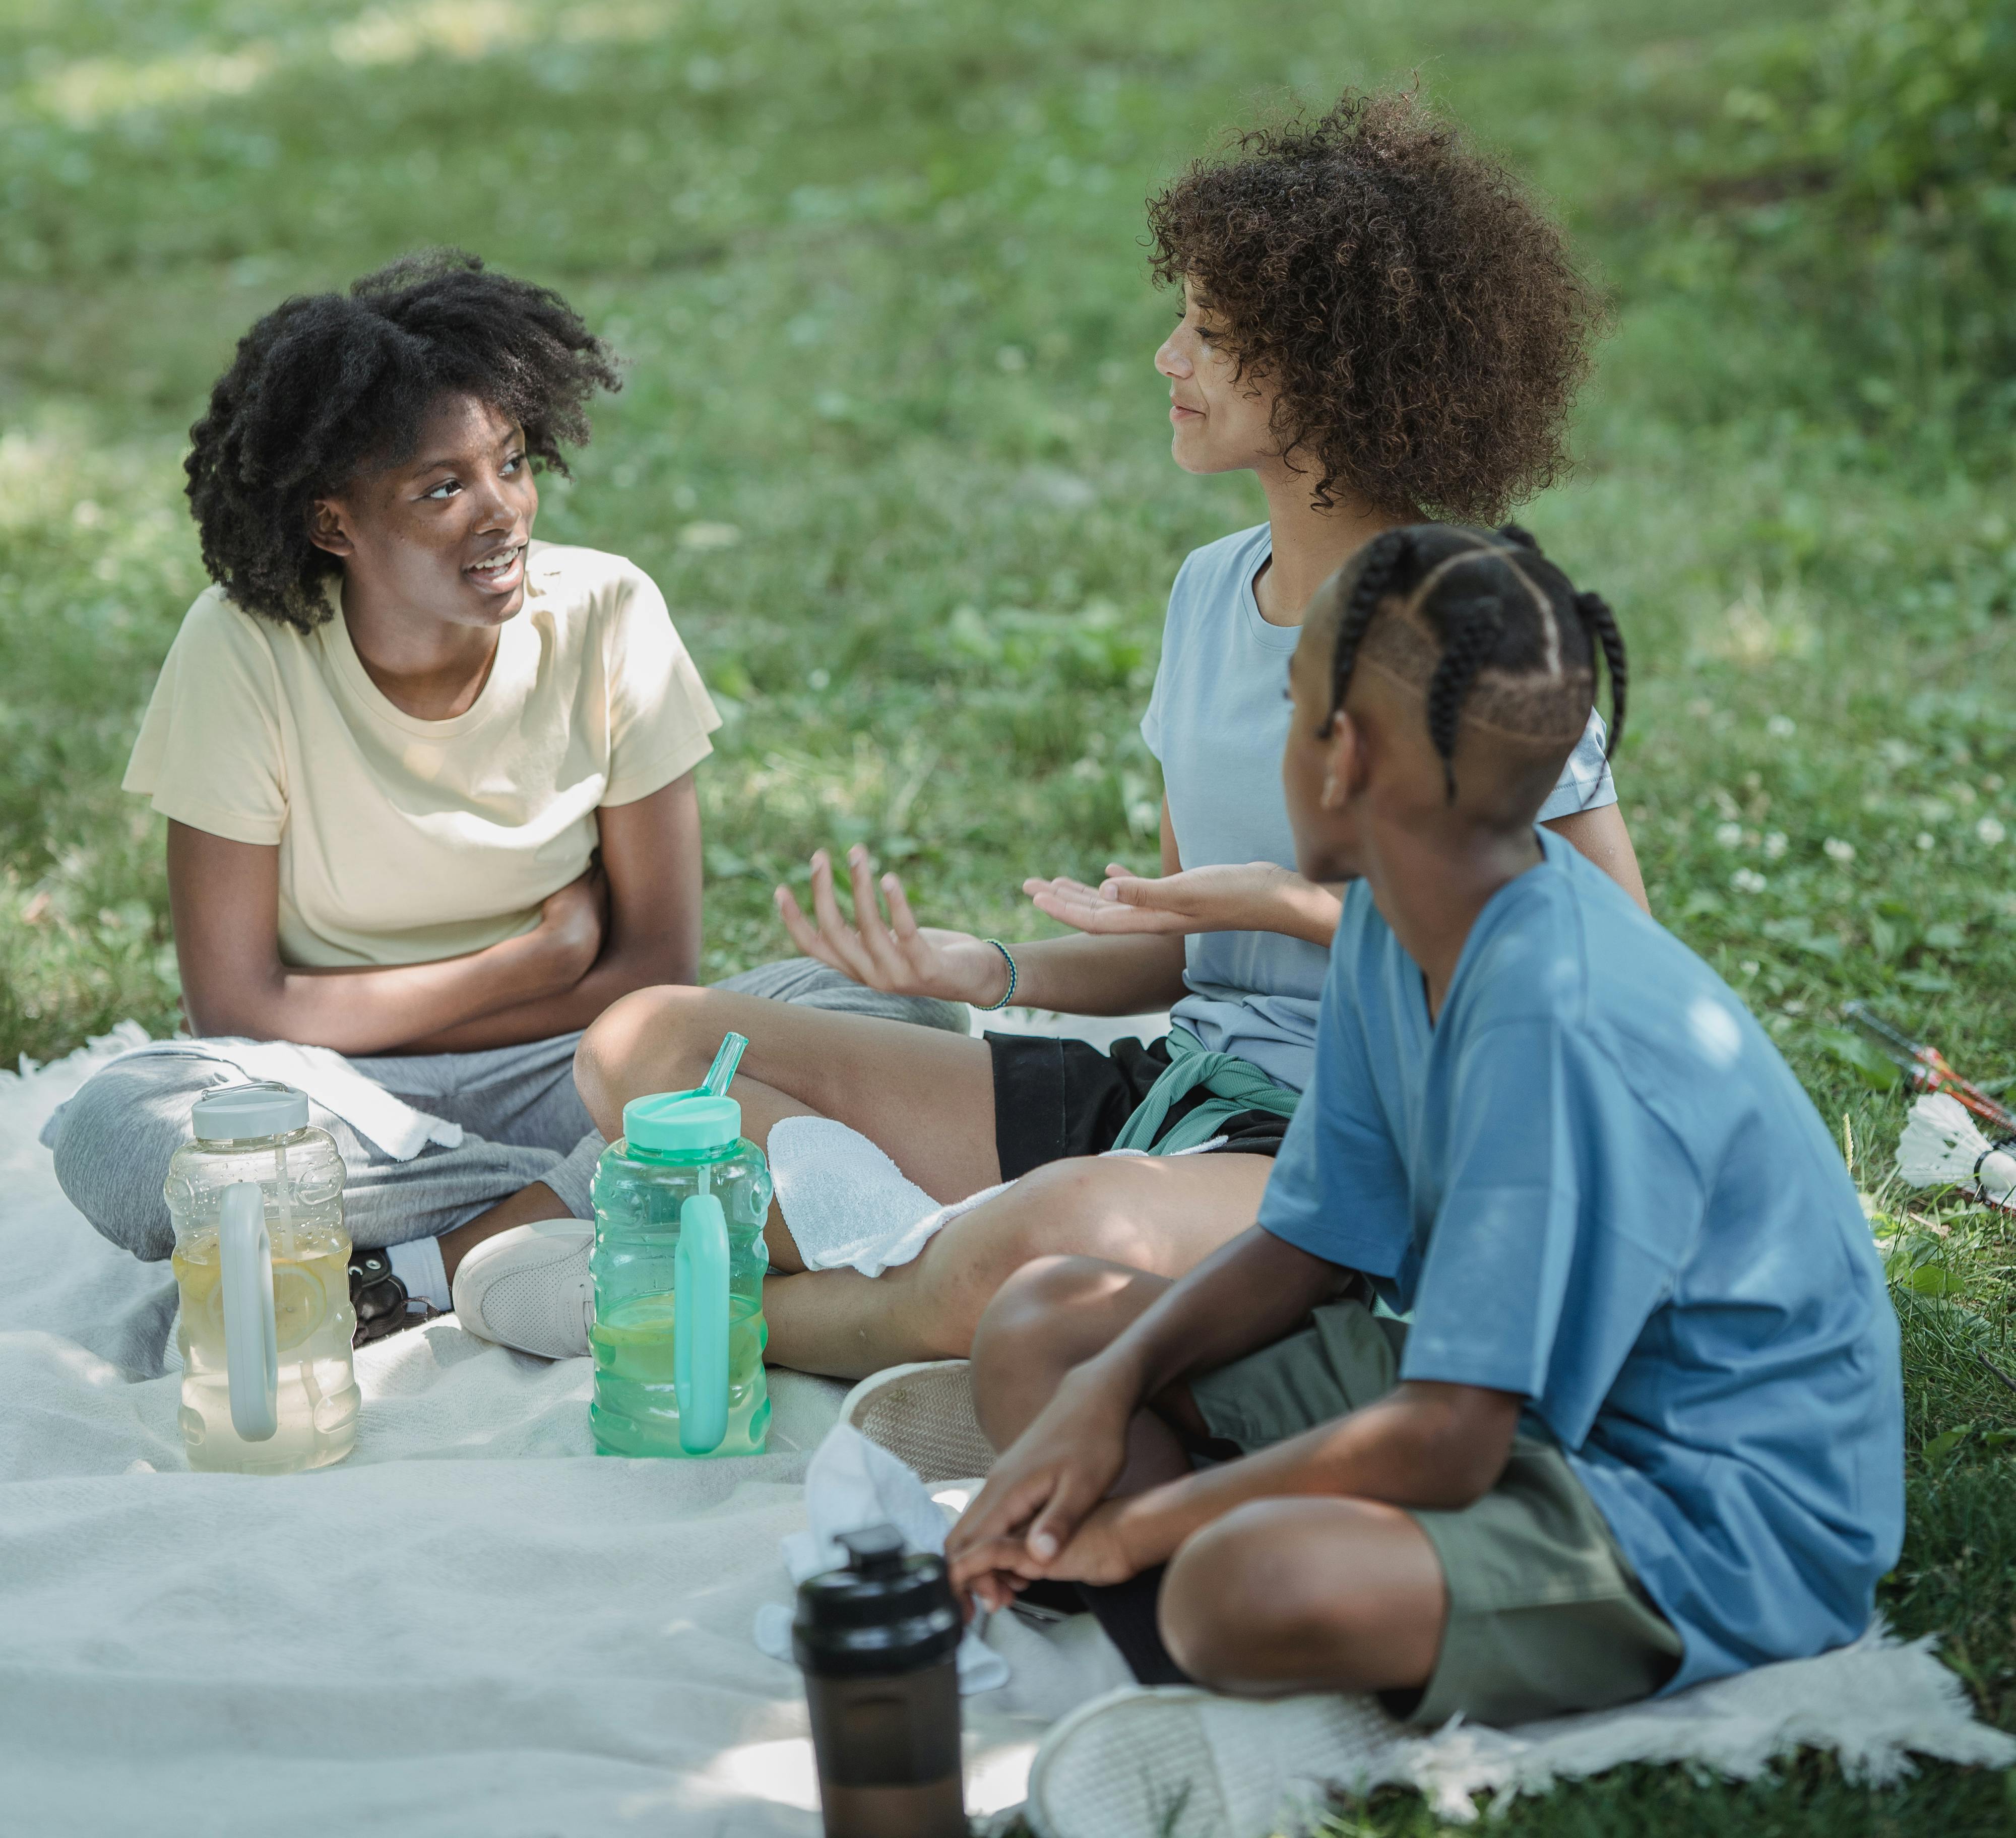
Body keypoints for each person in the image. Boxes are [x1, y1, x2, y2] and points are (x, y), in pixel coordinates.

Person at [503, 95, 1648, 1377]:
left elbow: (1608, 970)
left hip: (1371, 1138)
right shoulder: (1212, 588)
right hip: (1177, 1096)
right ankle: (924, 1269)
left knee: (1042, 1241)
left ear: (1337, 379)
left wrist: (1294, 906)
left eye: (1209, 337)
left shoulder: (1471, 624)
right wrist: (977, 971)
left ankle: (715, 1316)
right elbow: (1181, 955)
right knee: (645, 1046)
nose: (1167, 357)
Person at [946, 525, 1904, 1726]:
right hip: (1516, 1401)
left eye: (1285, 707)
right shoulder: (1395, 929)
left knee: (1246, 1586)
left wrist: (1136, 1526)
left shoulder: (1551, 1017)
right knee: (1043, 1328)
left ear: (1338, 756)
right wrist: (1111, 1385)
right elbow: (1312, 1241)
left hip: (1696, 1498)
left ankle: (1184, 1594)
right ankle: (1227, 1574)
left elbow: (1450, 1438)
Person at [45, 251, 947, 1329]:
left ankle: (432, 1260)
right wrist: (536, 960)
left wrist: (579, 1020)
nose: (503, 511)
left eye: (512, 464)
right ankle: (602, 1195)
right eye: (442, 488)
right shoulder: (242, 649)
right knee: (121, 1128)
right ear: (335, 525)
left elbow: (658, 973)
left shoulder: (607, 611)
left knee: (894, 1015)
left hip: (576, 1066)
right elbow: (235, 1008)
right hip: (338, 1092)